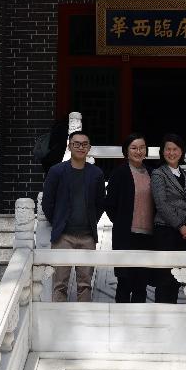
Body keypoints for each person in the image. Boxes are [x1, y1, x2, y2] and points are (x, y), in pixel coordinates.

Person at [41, 130, 105, 302]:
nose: (80, 147)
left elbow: (100, 203)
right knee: (59, 283)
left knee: (85, 284)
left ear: (89, 148)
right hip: (63, 236)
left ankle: (83, 317)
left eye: (84, 144)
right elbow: (47, 203)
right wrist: (58, 221)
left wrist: (90, 221)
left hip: (87, 237)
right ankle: (58, 317)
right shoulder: (56, 171)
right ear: (69, 146)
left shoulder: (96, 174)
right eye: (76, 144)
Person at [104, 133, 154, 303]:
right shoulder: (119, 173)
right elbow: (110, 204)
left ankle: (138, 318)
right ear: (126, 151)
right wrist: (122, 222)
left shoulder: (152, 173)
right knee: (124, 282)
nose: (138, 151)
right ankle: (121, 317)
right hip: (126, 236)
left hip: (148, 237)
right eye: (134, 148)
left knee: (141, 284)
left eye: (142, 148)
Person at [151, 133, 186, 304]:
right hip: (165, 232)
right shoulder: (158, 174)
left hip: (184, 235)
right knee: (164, 279)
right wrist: (180, 225)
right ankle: (162, 314)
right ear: (162, 152)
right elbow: (161, 204)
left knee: (177, 278)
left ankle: (174, 315)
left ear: (182, 152)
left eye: (175, 149)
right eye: (168, 149)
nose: (171, 153)